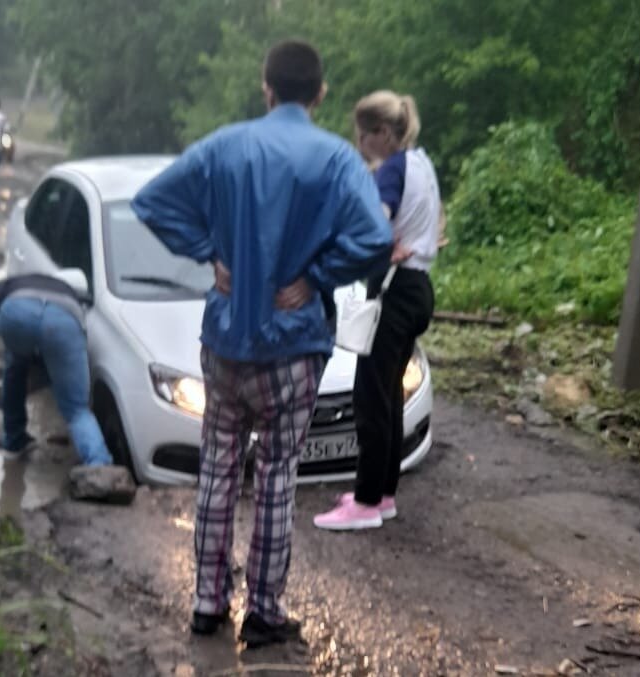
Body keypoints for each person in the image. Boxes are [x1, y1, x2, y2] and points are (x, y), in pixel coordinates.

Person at [131, 41, 392, 648]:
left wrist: (209, 255)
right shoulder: (335, 159)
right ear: (321, 94)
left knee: (218, 472)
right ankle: (265, 611)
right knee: (277, 478)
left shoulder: (225, 146)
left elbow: (151, 203)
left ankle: (206, 601)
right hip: (293, 349)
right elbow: (376, 239)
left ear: (265, 87)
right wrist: (317, 278)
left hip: (224, 342)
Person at [313, 91, 442, 531]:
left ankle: (365, 502)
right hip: (418, 285)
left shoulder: (391, 169)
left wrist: (374, 246)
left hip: (392, 292)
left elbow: (373, 223)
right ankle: (382, 493)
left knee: (370, 394)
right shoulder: (421, 163)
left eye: (362, 134)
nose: (359, 142)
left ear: (382, 133)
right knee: (389, 394)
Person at [0, 273, 137, 504]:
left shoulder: (11, 283)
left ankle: (13, 442)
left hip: (16, 314)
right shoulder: (70, 293)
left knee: (15, 368)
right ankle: (99, 465)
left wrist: (7, 333)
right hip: (62, 322)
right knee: (76, 408)